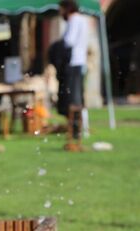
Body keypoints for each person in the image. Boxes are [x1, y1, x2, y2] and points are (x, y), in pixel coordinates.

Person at [59, 0, 88, 140]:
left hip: (73, 62)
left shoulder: (74, 20)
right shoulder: (82, 20)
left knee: (73, 99)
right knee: (78, 97)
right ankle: (79, 128)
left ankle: (75, 130)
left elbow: (69, 41)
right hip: (80, 62)